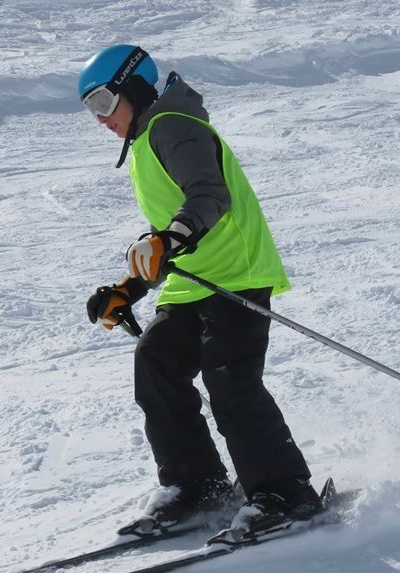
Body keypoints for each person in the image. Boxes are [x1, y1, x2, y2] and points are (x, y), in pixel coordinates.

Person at [80, 45, 322, 539]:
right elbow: (164, 239)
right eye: (90, 109)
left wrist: (169, 238)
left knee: (230, 378)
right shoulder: (149, 141)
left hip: (236, 274)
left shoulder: (173, 125)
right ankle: (197, 486)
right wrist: (128, 289)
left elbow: (209, 195)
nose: (100, 118)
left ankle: (286, 491)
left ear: (134, 88)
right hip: (192, 284)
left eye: (103, 103)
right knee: (156, 361)